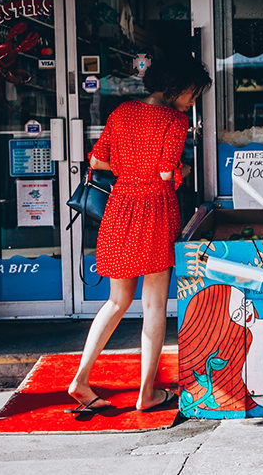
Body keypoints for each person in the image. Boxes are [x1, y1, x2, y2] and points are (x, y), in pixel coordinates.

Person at [67, 55, 211, 413]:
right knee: (154, 305)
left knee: (116, 302)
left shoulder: (121, 112)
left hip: (119, 209)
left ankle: (81, 379)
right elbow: (165, 175)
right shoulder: (174, 121)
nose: (194, 100)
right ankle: (147, 393)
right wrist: (183, 169)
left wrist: (130, 167)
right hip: (155, 211)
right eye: (193, 92)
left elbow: (98, 161)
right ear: (176, 86)